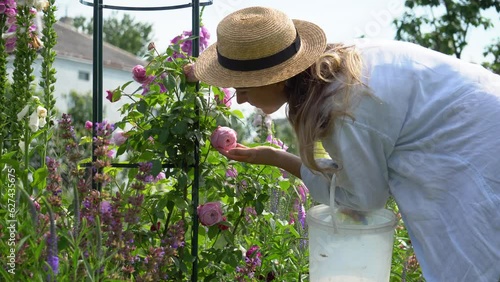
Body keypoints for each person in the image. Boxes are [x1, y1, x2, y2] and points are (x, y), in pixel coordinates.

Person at [194, 6, 500, 282]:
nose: (241, 98)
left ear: (274, 79)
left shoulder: (344, 105)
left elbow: (364, 199)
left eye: (243, 87)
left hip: (478, 148)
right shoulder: (334, 67)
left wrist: (279, 159)